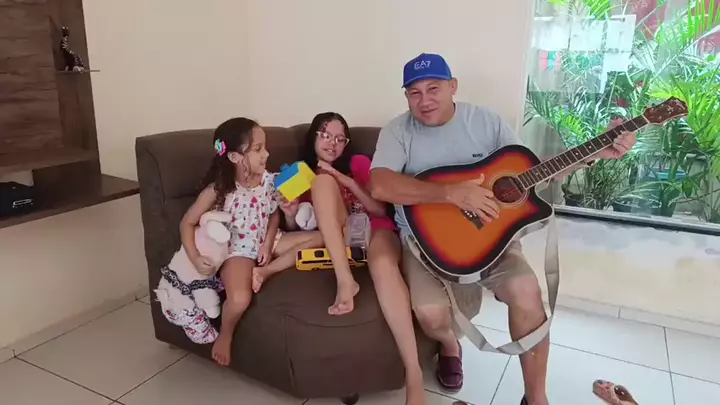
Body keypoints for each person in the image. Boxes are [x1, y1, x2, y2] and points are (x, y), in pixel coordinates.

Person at [368, 53, 637, 405]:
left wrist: (595, 153)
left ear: (453, 87)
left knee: (527, 291)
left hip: (493, 237)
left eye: (433, 88)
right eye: (414, 93)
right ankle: (450, 346)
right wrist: (450, 193)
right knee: (432, 317)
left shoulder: (486, 122)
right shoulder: (398, 130)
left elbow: (531, 171)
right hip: (425, 242)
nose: (425, 100)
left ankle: (536, 398)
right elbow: (380, 185)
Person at [298, 112, 428, 405]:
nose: (332, 143)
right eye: (325, 135)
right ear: (313, 137)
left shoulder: (357, 164)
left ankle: (414, 374)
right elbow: (303, 225)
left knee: (382, 264)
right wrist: (290, 212)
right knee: (321, 184)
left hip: (375, 229)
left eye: (340, 138)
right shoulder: (302, 175)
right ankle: (346, 281)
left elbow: (380, 210)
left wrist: (342, 179)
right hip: (340, 237)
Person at [180, 117, 322, 367]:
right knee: (239, 299)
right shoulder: (219, 190)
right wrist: (195, 257)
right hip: (238, 250)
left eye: (264, 147)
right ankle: (225, 334)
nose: (266, 154)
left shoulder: (269, 181)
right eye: (258, 149)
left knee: (321, 237)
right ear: (235, 157)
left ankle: (266, 271)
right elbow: (187, 223)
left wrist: (267, 243)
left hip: (268, 240)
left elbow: (273, 213)